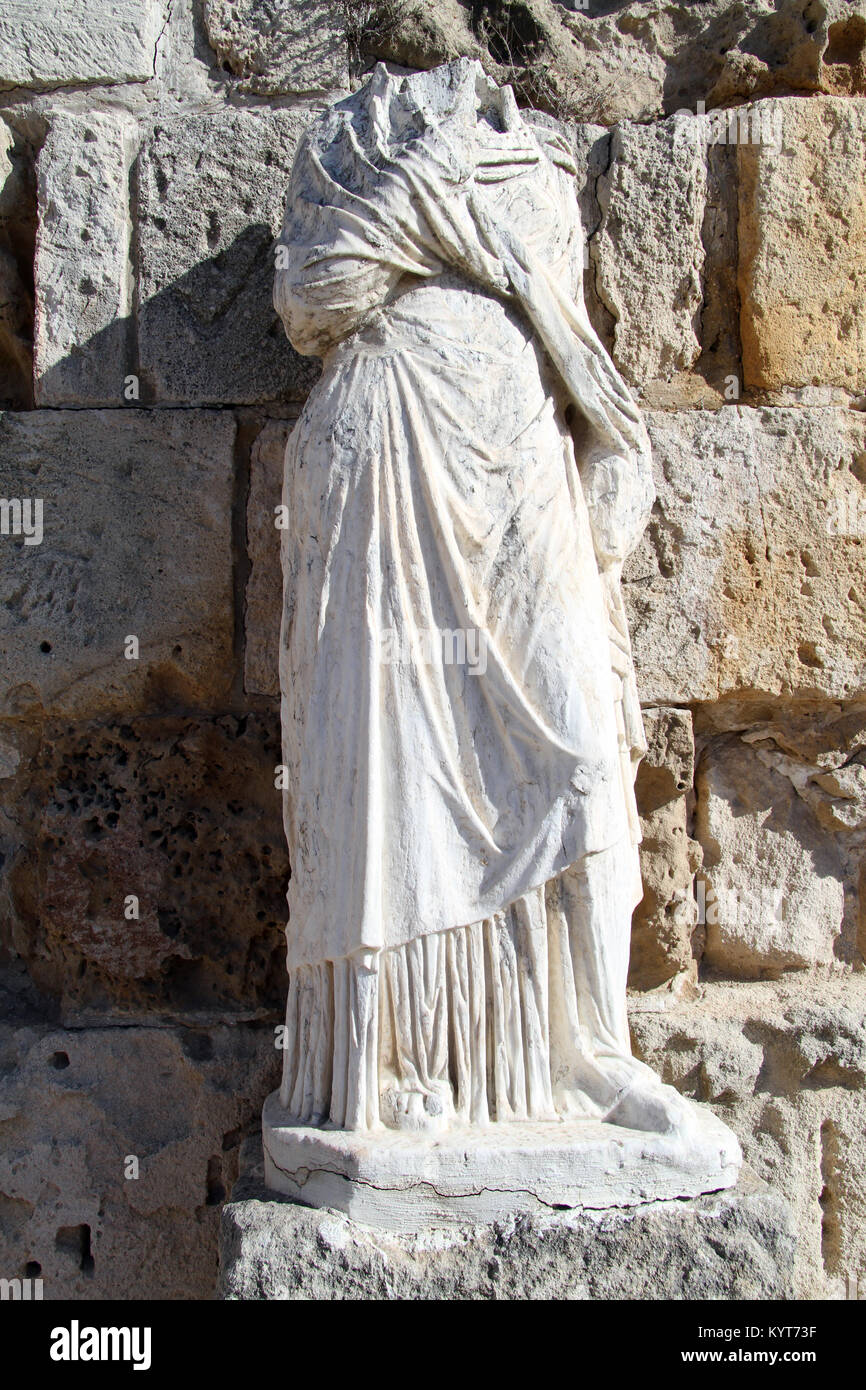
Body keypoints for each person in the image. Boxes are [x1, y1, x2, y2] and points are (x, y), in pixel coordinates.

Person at [272, 58, 692, 1136]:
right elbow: (311, 294)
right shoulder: (345, 144)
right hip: (390, 467)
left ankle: (587, 1049)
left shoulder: (539, 170)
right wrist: (426, 181)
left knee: (580, 749)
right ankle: (399, 1064)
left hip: (519, 467)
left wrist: (440, 211)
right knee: (391, 772)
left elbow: (562, 325)